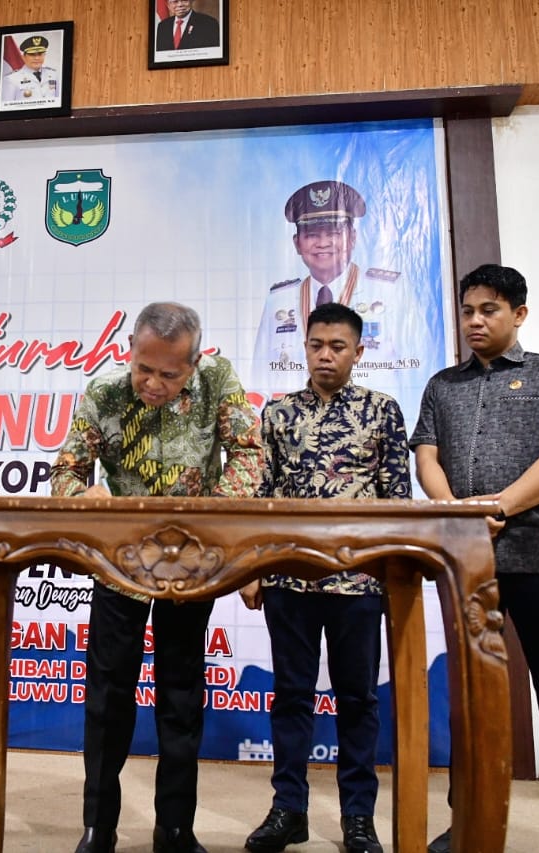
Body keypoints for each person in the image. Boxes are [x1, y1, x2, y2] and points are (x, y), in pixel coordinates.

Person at [51, 302, 263, 853]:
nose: (152, 383)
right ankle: (98, 827)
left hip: (191, 565)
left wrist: (214, 521)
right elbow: (65, 472)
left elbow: (248, 455)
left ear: (194, 363)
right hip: (120, 565)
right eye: (143, 368)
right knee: (108, 695)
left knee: (181, 694)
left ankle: (175, 828)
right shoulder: (104, 393)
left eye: (169, 374)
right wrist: (84, 495)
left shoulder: (218, 381)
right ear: (130, 350)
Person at [410, 263, 539, 853]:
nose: (475, 320)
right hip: (465, 561)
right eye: (468, 310)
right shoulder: (443, 384)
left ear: (518, 314)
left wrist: (497, 506)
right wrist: (457, 515)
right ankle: (466, 822)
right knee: (468, 700)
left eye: (489, 309)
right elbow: (426, 457)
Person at [239, 303, 408, 853]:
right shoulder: (278, 413)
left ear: (359, 351)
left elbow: (397, 499)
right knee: (290, 696)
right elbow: (262, 496)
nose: (325, 355)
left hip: (358, 582)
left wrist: (392, 575)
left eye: (337, 346)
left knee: (358, 699)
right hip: (290, 581)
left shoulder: (382, 411)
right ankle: (288, 809)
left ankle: (359, 816)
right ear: (304, 348)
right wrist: (253, 569)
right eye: (316, 345)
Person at [252, 181, 397, 394]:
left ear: (353, 237)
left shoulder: (389, 293)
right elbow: (259, 378)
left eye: (334, 233)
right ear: (297, 243)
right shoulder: (279, 301)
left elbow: (413, 371)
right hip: (294, 414)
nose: (323, 243)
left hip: (364, 414)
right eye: (312, 235)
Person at [2, 35, 61, 103]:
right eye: (32, 54)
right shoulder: (11, 79)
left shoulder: (54, 75)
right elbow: (6, 106)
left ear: (44, 55)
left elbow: (59, 101)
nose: (37, 58)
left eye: (40, 54)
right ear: (23, 57)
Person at [155, 0, 221, 50]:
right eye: (175, 1)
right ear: (168, 5)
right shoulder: (162, 26)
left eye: (184, 0)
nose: (180, 5)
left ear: (191, 1)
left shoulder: (209, 24)